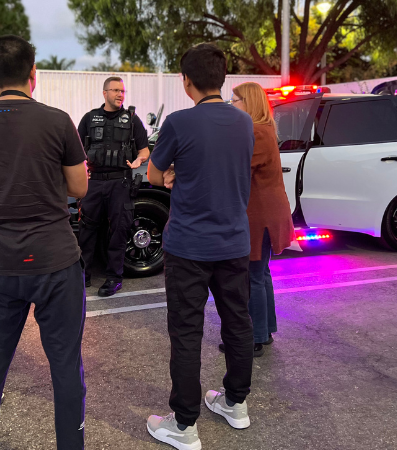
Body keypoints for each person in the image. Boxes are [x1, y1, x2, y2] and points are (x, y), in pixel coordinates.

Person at [0, 35, 88, 449]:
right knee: (65, 366)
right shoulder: (58, 120)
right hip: (54, 257)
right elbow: (79, 187)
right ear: (34, 73)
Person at [145, 43, 256, 450]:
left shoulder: (178, 122)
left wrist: (173, 175)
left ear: (185, 80)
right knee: (238, 323)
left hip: (189, 246)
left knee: (187, 333)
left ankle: (185, 425)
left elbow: (154, 175)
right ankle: (235, 403)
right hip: (233, 242)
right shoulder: (244, 122)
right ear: (222, 79)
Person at [219, 82, 295, 357]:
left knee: (252, 276)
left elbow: (236, 168)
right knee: (260, 274)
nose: (231, 104)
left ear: (247, 102)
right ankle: (264, 331)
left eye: (234, 100)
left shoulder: (257, 132)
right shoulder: (262, 130)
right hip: (263, 212)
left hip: (259, 215)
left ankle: (254, 337)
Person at [76, 76, 150, 296]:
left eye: (123, 91)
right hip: (95, 182)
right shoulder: (89, 118)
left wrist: (139, 160)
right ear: (105, 93)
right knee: (87, 230)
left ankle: (113, 277)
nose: (120, 95)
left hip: (121, 182)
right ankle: (83, 275)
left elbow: (144, 150)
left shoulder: (132, 120)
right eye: (116, 90)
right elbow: (77, 149)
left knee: (119, 230)